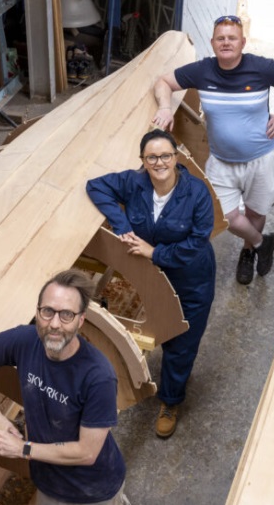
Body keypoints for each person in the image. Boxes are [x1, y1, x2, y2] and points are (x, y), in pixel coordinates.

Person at [152, 14, 274, 285]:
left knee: (256, 213)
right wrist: (165, 107)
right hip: (221, 162)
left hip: (262, 159)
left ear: (242, 42)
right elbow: (163, 82)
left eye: (232, 38)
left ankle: (248, 252)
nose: (226, 43)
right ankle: (262, 243)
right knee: (228, 217)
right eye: (220, 38)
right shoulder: (201, 71)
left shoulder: (261, 68)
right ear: (212, 43)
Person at [86, 129, 216, 438]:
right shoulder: (135, 182)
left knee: (182, 340)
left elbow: (197, 242)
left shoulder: (196, 193)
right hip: (152, 274)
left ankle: (170, 401)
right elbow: (96, 187)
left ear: (176, 158)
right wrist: (122, 227)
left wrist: (154, 252)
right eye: (152, 157)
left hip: (191, 276)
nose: (159, 163)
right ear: (143, 160)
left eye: (165, 156)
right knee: (160, 325)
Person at [0, 269, 128, 505]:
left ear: (80, 320)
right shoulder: (25, 341)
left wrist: (23, 449)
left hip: (92, 491)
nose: (54, 324)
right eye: (48, 312)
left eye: (66, 315)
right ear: (37, 311)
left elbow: (87, 452)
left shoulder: (98, 377)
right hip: (48, 483)